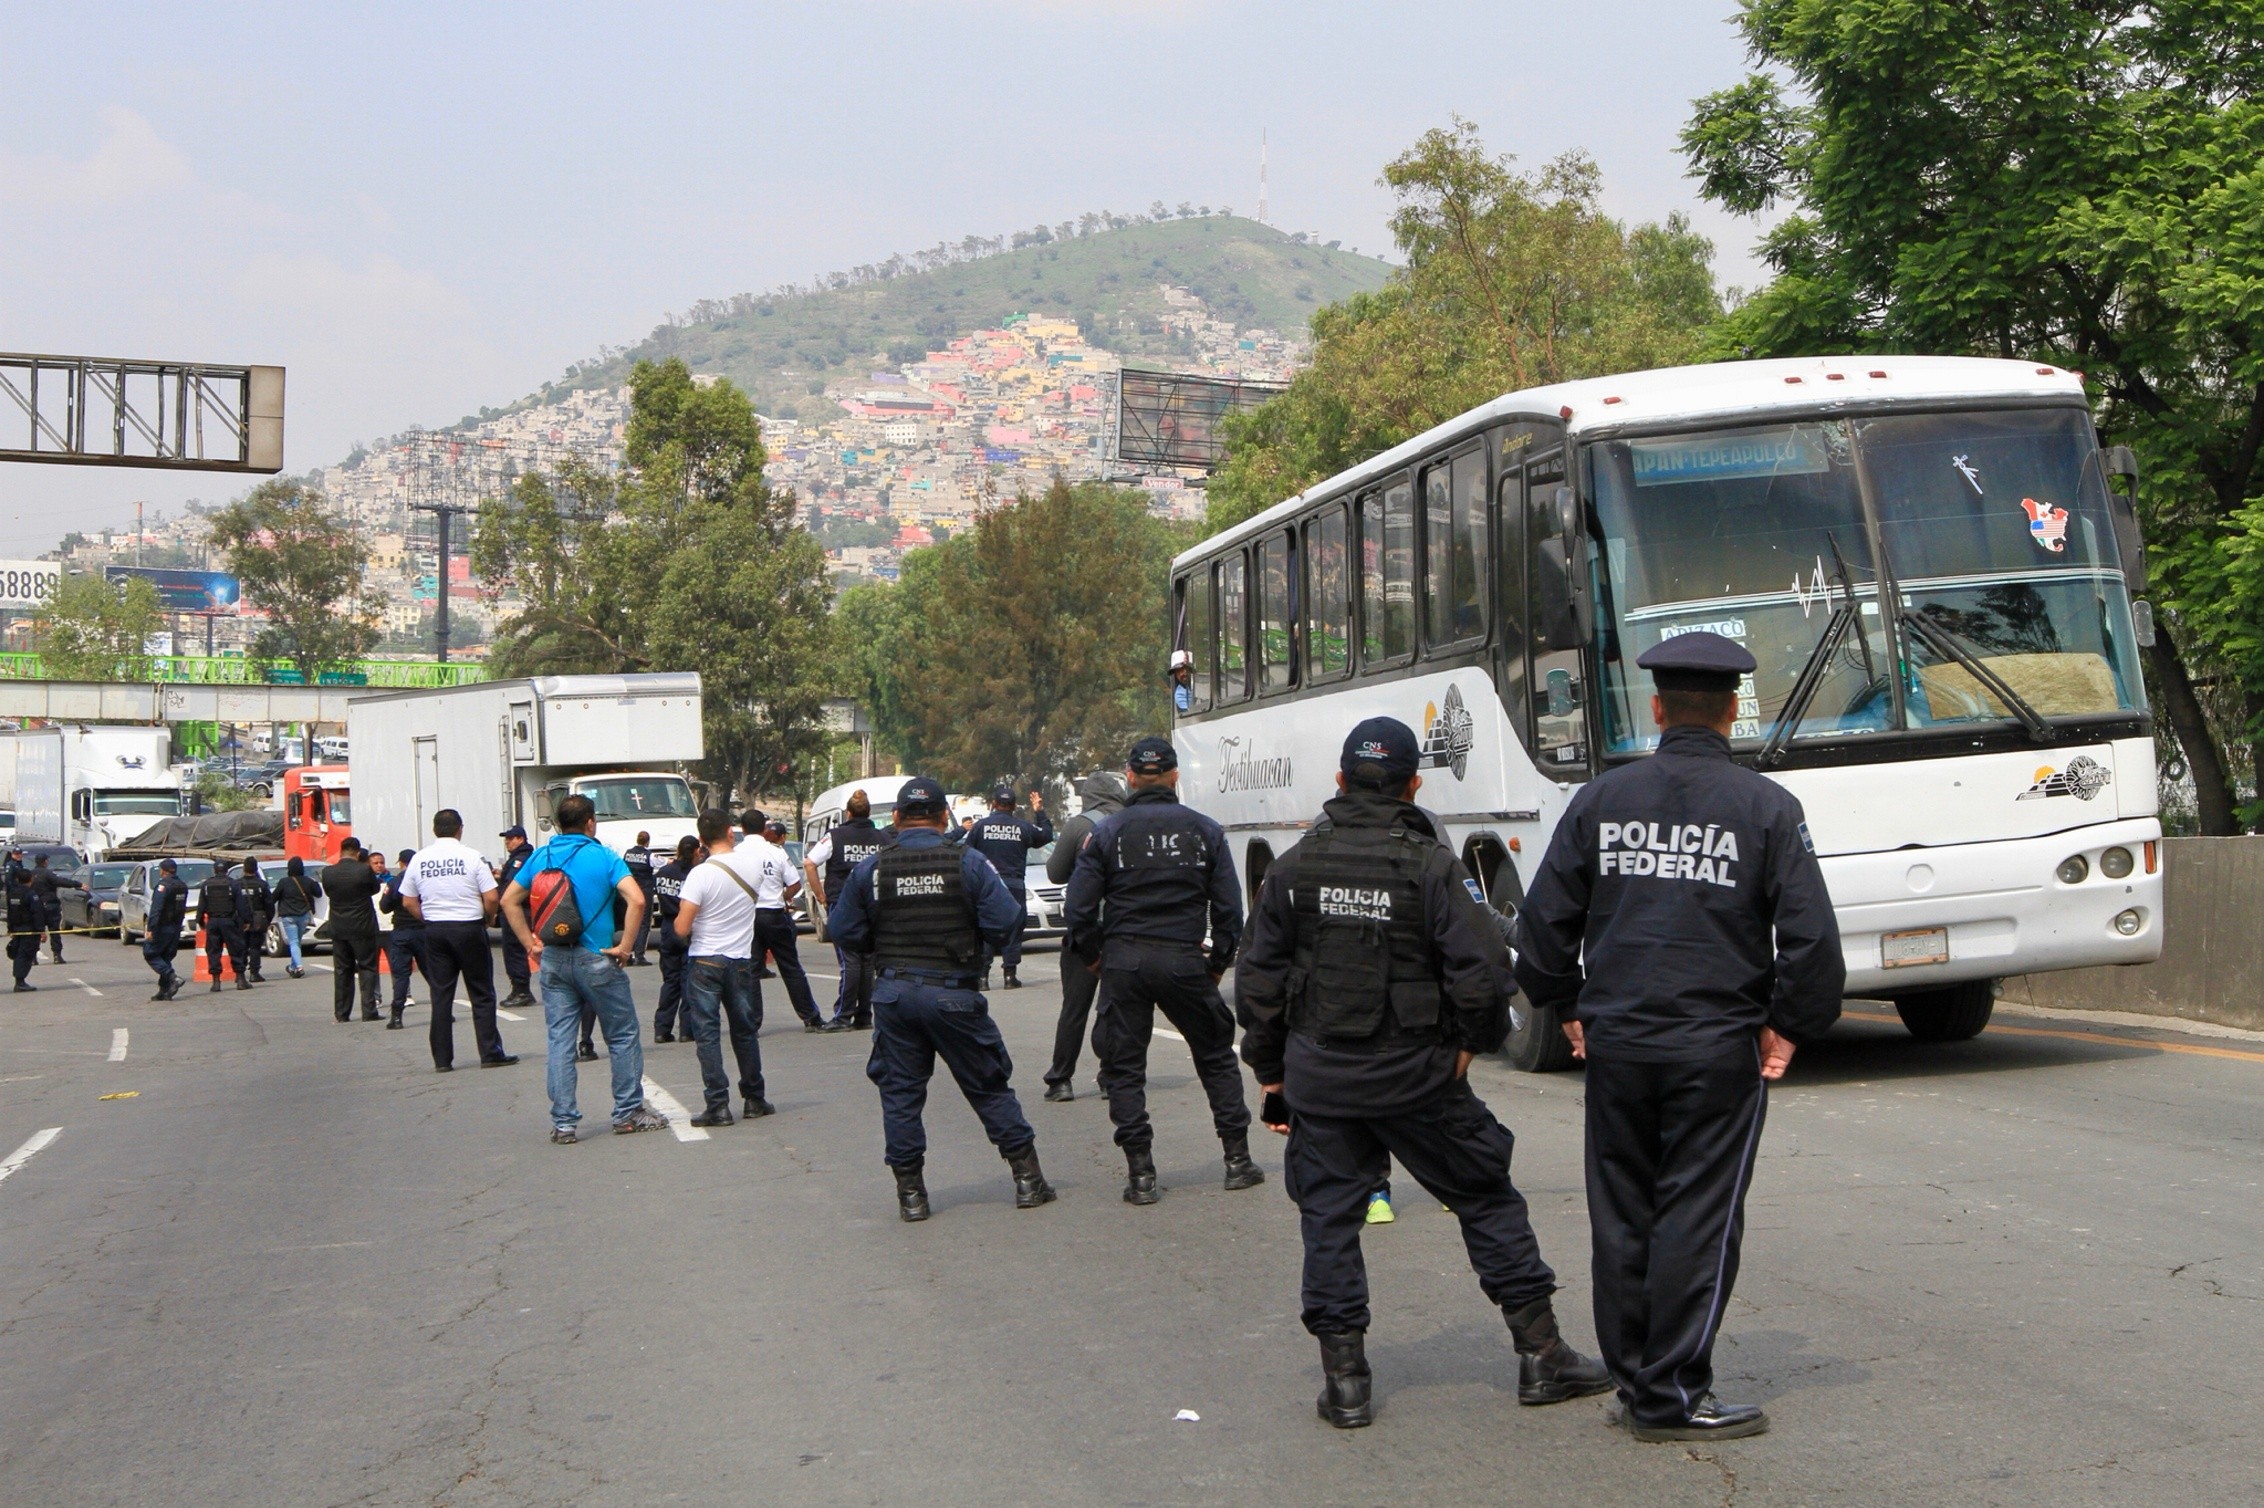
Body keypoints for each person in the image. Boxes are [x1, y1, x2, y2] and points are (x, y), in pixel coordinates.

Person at [1514, 632, 1845, 1444]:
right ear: (1732, 712)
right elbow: (1812, 943)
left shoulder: (1600, 800)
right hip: (1714, 1046)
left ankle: (1637, 1379)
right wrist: (1790, 1024)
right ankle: (1671, 1394)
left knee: (1623, 1211)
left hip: (1620, 1043)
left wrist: (1564, 1006)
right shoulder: (1767, 809)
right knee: (1698, 1215)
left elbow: (1541, 927)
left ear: (1657, 709)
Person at [1237, 717, 1611, 1430]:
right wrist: (1468, 1049)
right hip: (1419, 1080)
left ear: (1340, 781)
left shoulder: (1293, 866)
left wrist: (1274, 1072)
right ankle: (1541, 1356)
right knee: (1486, 1198)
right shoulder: (1433, 864)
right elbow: (1485, 973)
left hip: (1324, 1081)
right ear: (1414, 784)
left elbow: (1258, 982)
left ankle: (1346, 1384)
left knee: (1329, 1224)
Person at [827, 775, 1055, 1221]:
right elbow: (1007, 922)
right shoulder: (967, 862)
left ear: (895, 818)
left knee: (900, 1096)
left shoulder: (873, 868)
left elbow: (843, 931)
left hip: (894, 994)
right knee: (988, 1086)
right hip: (953, 994)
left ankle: (911, 1195)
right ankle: (1028, 1181)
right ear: (941, 818)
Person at [1062, 735, 1260, 1204]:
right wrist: (1216, 962)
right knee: (1214, 1055)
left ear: (1130, 777)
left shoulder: (1107, 833)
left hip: (1124, 960)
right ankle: (1237, 1160)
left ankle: (1142, 1175)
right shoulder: (1204, 830)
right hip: (1182, 958)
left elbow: (1079, 909)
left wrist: (1095, 958)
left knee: (1124, 1067)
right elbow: (1230, 910)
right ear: (1174, 777)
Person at [501, 793, 665, 1144]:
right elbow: (636, 899)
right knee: (621, 1035)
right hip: (597, 957)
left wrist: (531, 943)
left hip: (554, 959)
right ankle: (627, 1113)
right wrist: (626, 946)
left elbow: (508, 901)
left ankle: (564, 1124)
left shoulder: (539, 856)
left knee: (560, 1040)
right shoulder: (603, 856)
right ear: (590, 823)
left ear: (559, 824)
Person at [670, 809, 773, 1126]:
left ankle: (718, 1105)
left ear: (700, 841)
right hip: (741, 960)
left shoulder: (700, 874)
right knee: (745, 1032)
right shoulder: (752, 867)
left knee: (708, 1035)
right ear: (731, 832)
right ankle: (754, 1098)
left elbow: (682, 928)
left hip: (705, 960)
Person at [402, 809, 514, 1072]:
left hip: (436, 929)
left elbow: (408, 900)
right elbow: (492, 897)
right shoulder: (472, 856)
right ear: (459, 829)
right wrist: (487, 918)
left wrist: (427, 919)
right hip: (468, 927)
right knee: (481, 992)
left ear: (434, 830)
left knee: (441, 993)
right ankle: (490, 1052)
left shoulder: (420, 859)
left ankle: (442, 1059)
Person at [1040, 770, 1125, 1101]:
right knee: (1114, 1006)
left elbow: (1055, 873)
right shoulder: (1131, 821)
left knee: (1074, 1008)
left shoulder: (1079, 826)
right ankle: (1110, 1075)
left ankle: (1061, 1079)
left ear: (1088, 797)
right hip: (1122, 930)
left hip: (1085, 927)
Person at [805, 791, 892, 1031]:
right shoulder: (883, 838)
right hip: (874, 905)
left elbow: (809, 863)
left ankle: (843, 1015)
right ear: (869, 813)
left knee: (850, 961)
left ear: (848, 813)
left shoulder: (835, 836)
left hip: (844, 904)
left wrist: (820, 895)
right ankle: (864, 1015)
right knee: (867, 961)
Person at [740, 809, 827, 1031]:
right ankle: (810, 1016)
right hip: (774, 914)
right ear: (765, 829)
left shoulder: (736, 854)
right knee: (790, 966)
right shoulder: (776, 853)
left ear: (742, 829)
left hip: (748, 916)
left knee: (750, 970)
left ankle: (751, 1022)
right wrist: (781, 896)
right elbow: (795, 884)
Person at [963, 783, 1053, 989]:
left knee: (984, 927)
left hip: (987, 884)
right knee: (1013, 927)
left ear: (994, 804)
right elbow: (1046, 835)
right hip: (1014, 885)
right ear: (1013, 806)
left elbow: (966, 854)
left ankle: (983, 977)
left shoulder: (980, 827)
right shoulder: (1023, 827)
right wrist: (1039, 811)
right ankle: (1010, 976)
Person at [324, 839, 384, 1023]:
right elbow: (374, 889)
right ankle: (369, 1010)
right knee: (367, 967)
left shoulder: (328, 872)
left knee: (342, 970)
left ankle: (342, 1013)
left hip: (339, 927)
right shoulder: (364, 870)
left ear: (341, 851)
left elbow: (328, 892)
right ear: (358, 853)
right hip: (363, 926)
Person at [651, 834, 701, 1042]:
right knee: (689, 980)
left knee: (670, 981)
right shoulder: (694, 875)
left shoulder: (663, 872)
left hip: (667, 928)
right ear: (695, 852)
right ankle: (687, 1030)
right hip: (687, 926)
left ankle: (662, 1029)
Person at [380, 848, 426, 1026]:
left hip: (401, 932)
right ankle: (444, 1010)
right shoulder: (423, 880)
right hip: (423, 931)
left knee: (401, 976)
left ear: (401, 863)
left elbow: (384, 906)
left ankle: (396, 1016)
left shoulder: (395, 882)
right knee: (433, 973)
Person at [195, 858, 253, 993]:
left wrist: (200, 921)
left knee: (213, 951)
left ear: (214, 870)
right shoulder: (233, 884)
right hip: (229, 921)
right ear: (226, 871)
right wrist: (247, 920)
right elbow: (241, 905)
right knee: (236, 949)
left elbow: (201, 905)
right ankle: (240, 979)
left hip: (213, 922)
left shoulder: (207, 885)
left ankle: (216, 982)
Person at [494, 826, 536, 1009]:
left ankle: (522, 991)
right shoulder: (520, 858)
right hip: (518, 908)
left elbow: (512, 884)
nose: (507, 842)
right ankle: (518, 989)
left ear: (521, 839)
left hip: (517, 910)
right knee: (513, 951)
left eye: (510, 839)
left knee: (514, 951)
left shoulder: (520, 859)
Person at [142, 858, 190, 1001]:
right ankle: (164, 990)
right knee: (165, 957)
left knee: (150, 953)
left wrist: (150, 929)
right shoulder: (182, 886)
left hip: (162, 927)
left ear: (163, 870)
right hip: (175, 927)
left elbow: (156, 909)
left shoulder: (163, 886)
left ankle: (173, 977)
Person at [273, 857, 321, 979]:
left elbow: (274, 897)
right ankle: (293, 967)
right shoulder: (308, 881)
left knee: (294, 942)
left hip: (288, 916)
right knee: (297, 942)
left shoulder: (284, 882)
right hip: (304, 916)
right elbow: (319, 893)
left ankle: (299, 966)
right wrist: (314, 881)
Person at [29, 853, 81, 965]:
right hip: (50, 905)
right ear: (45, 862)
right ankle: (57, 956)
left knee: (36, 932)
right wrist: (78, 884)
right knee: (54, 931)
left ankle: (33, 958)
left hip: (35, 907)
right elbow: (61, 881)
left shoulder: (30, 875)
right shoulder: (48, 874)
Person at [6, 854, 40, 992]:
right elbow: (37, 913)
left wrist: (11, 929)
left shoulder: (12, 893)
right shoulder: (30, 894)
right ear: (30, 879)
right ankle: (20, 982)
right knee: (25, 955)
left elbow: (9, 913)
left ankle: (19, 980)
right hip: (29, 929)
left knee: (19, 954)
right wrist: (40, 930)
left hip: (17, 928)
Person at [238, 858, 274, 983]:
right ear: (256, 868)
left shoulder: (237, 884)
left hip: (241, 920)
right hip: (257, 919)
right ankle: (254, 973)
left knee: (241, 947)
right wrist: (268, 919)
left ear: (244, 868)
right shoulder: (262, 885)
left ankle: (240, 974)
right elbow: (269, 904)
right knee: (255, 947)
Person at [624, 830, 656, 966]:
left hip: (630, 890)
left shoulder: (628, 853)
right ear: (647, 842)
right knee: (644, 923)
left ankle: (628, 953)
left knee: (630, 921)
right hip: (645, 891)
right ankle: (639, 955)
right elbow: (667, 862)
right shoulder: (650, 855)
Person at [1168, 648, 1196, 715]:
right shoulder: (1179, 694)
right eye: (1179, 670)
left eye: (1186, 669)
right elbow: (1187, 715)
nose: (1183, 673)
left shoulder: (1193, 687)